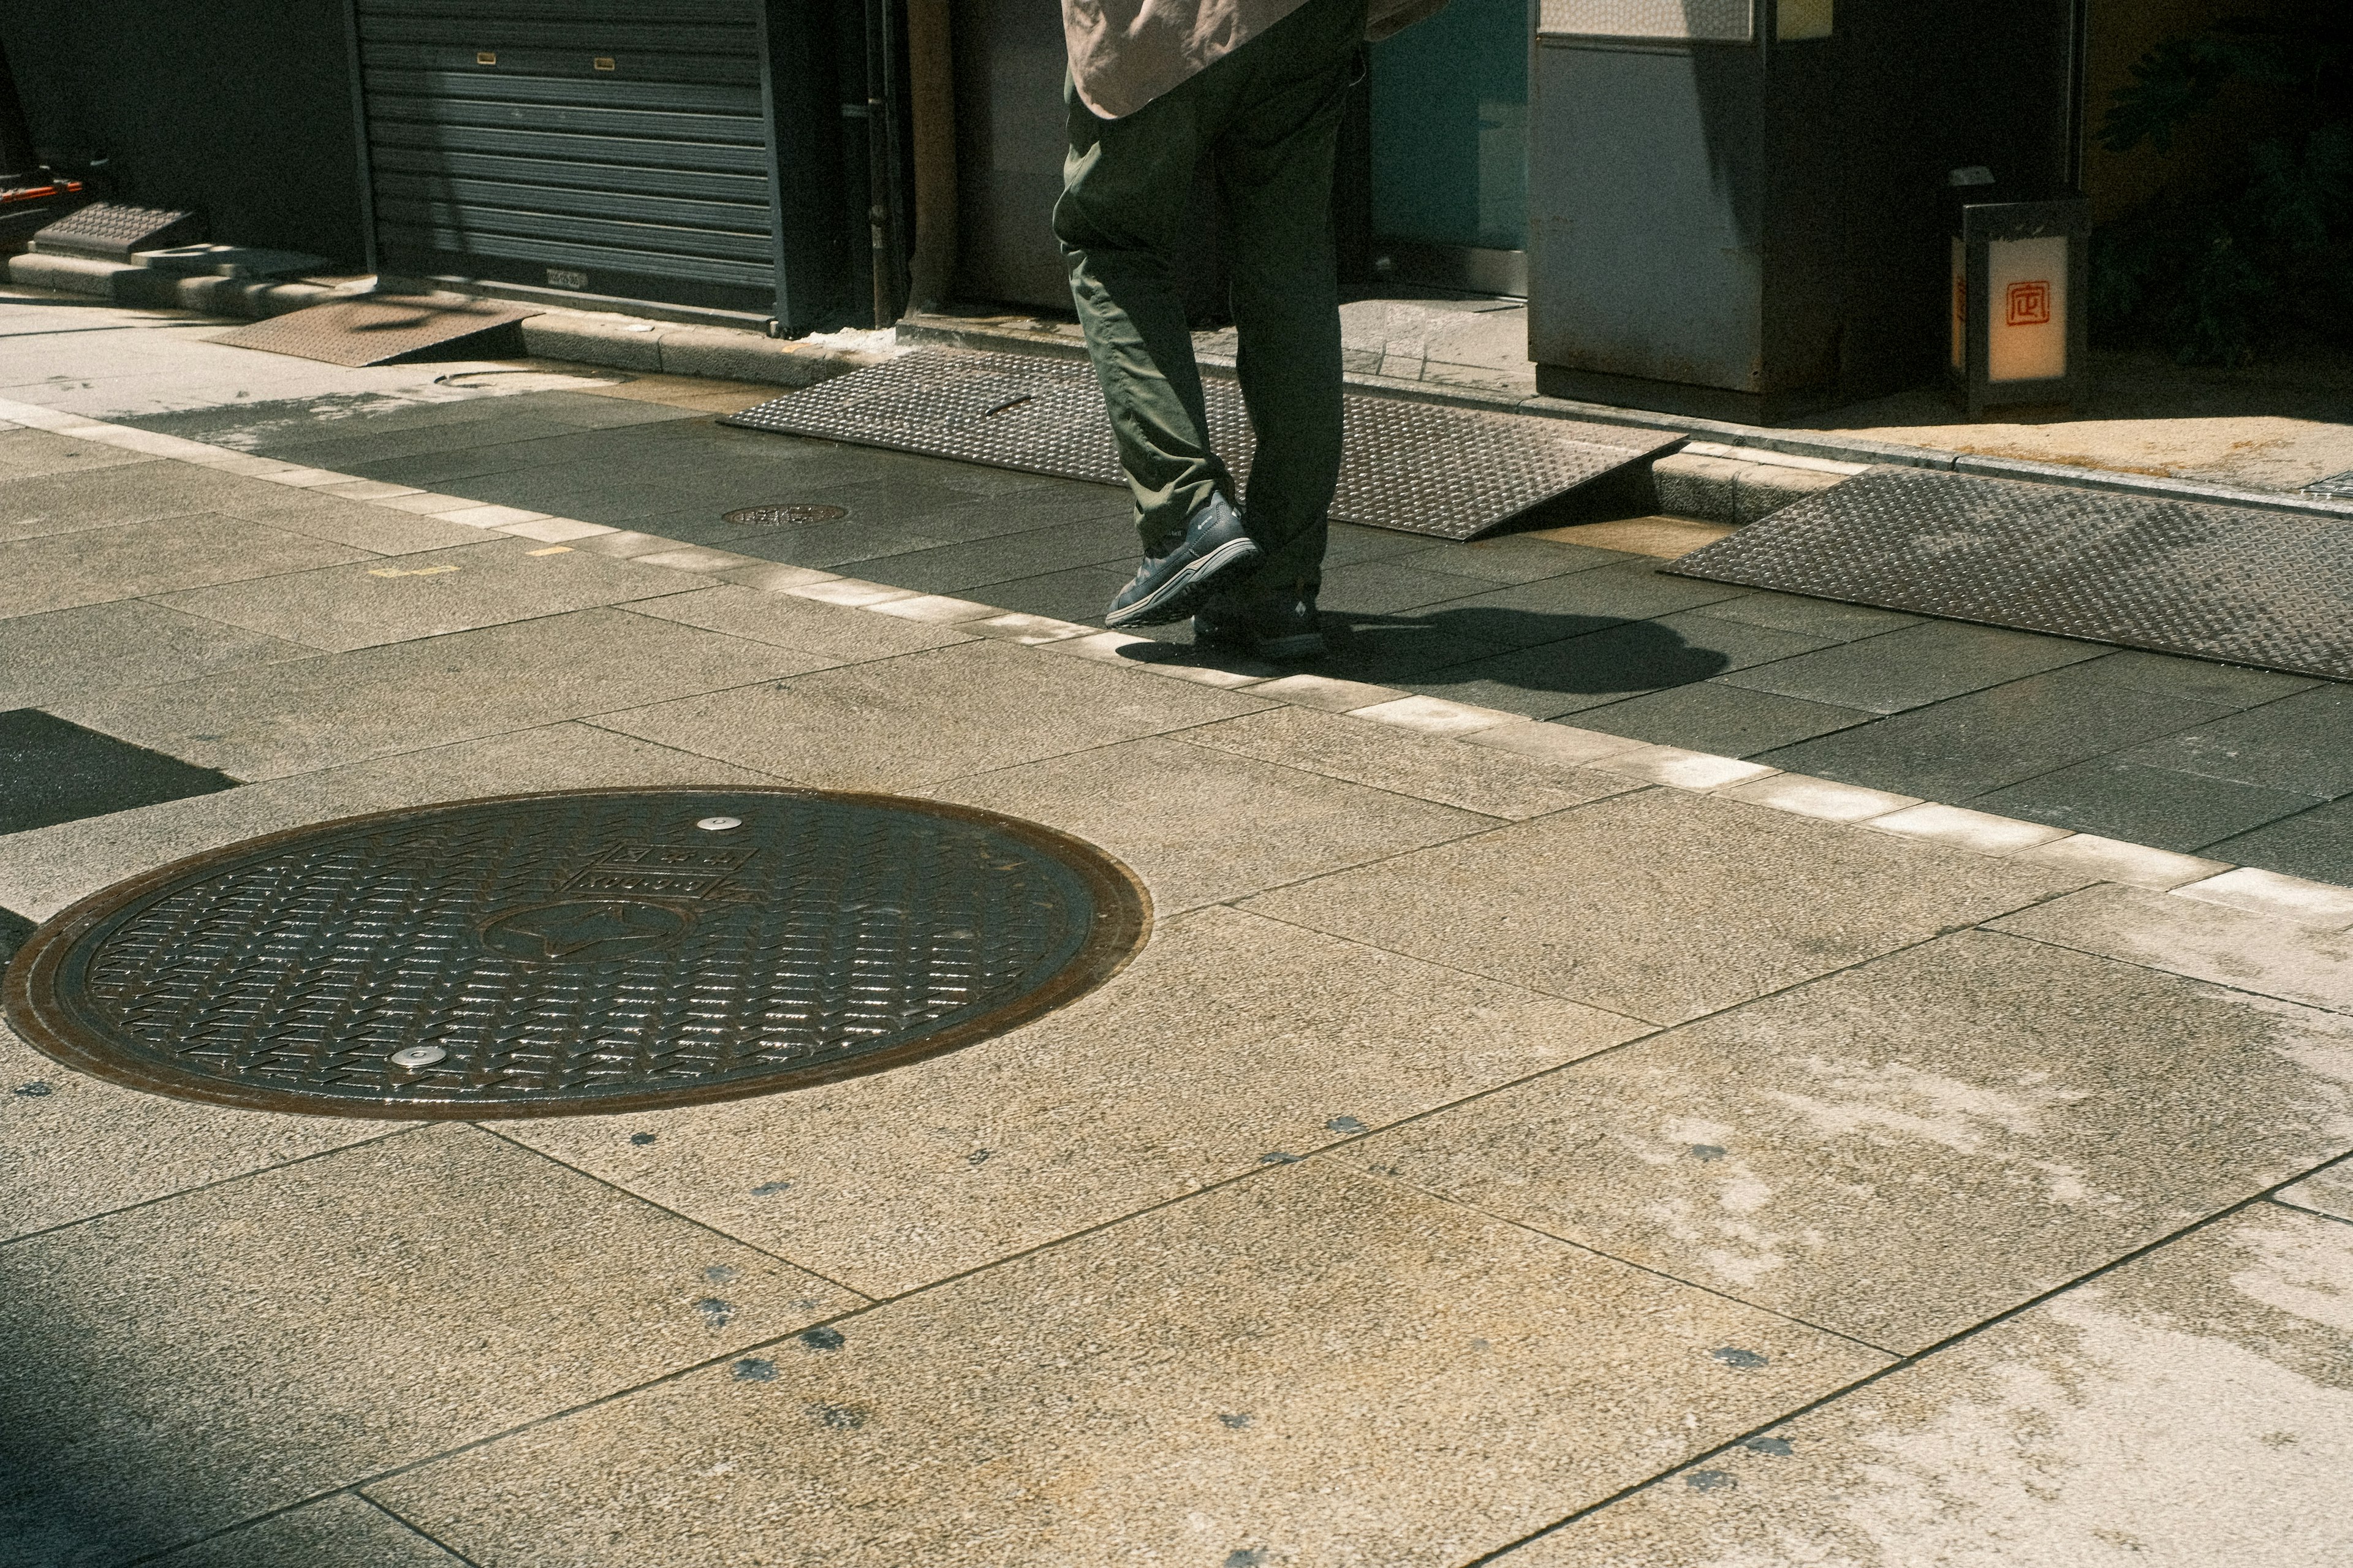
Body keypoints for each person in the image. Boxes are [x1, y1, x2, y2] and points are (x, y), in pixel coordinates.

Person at [1056, 0, 1444, 661]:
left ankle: (1186, 519)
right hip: (1304, 18)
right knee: (1289, 273)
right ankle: (1280, 587)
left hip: (1160, 21)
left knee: (1111, 241)